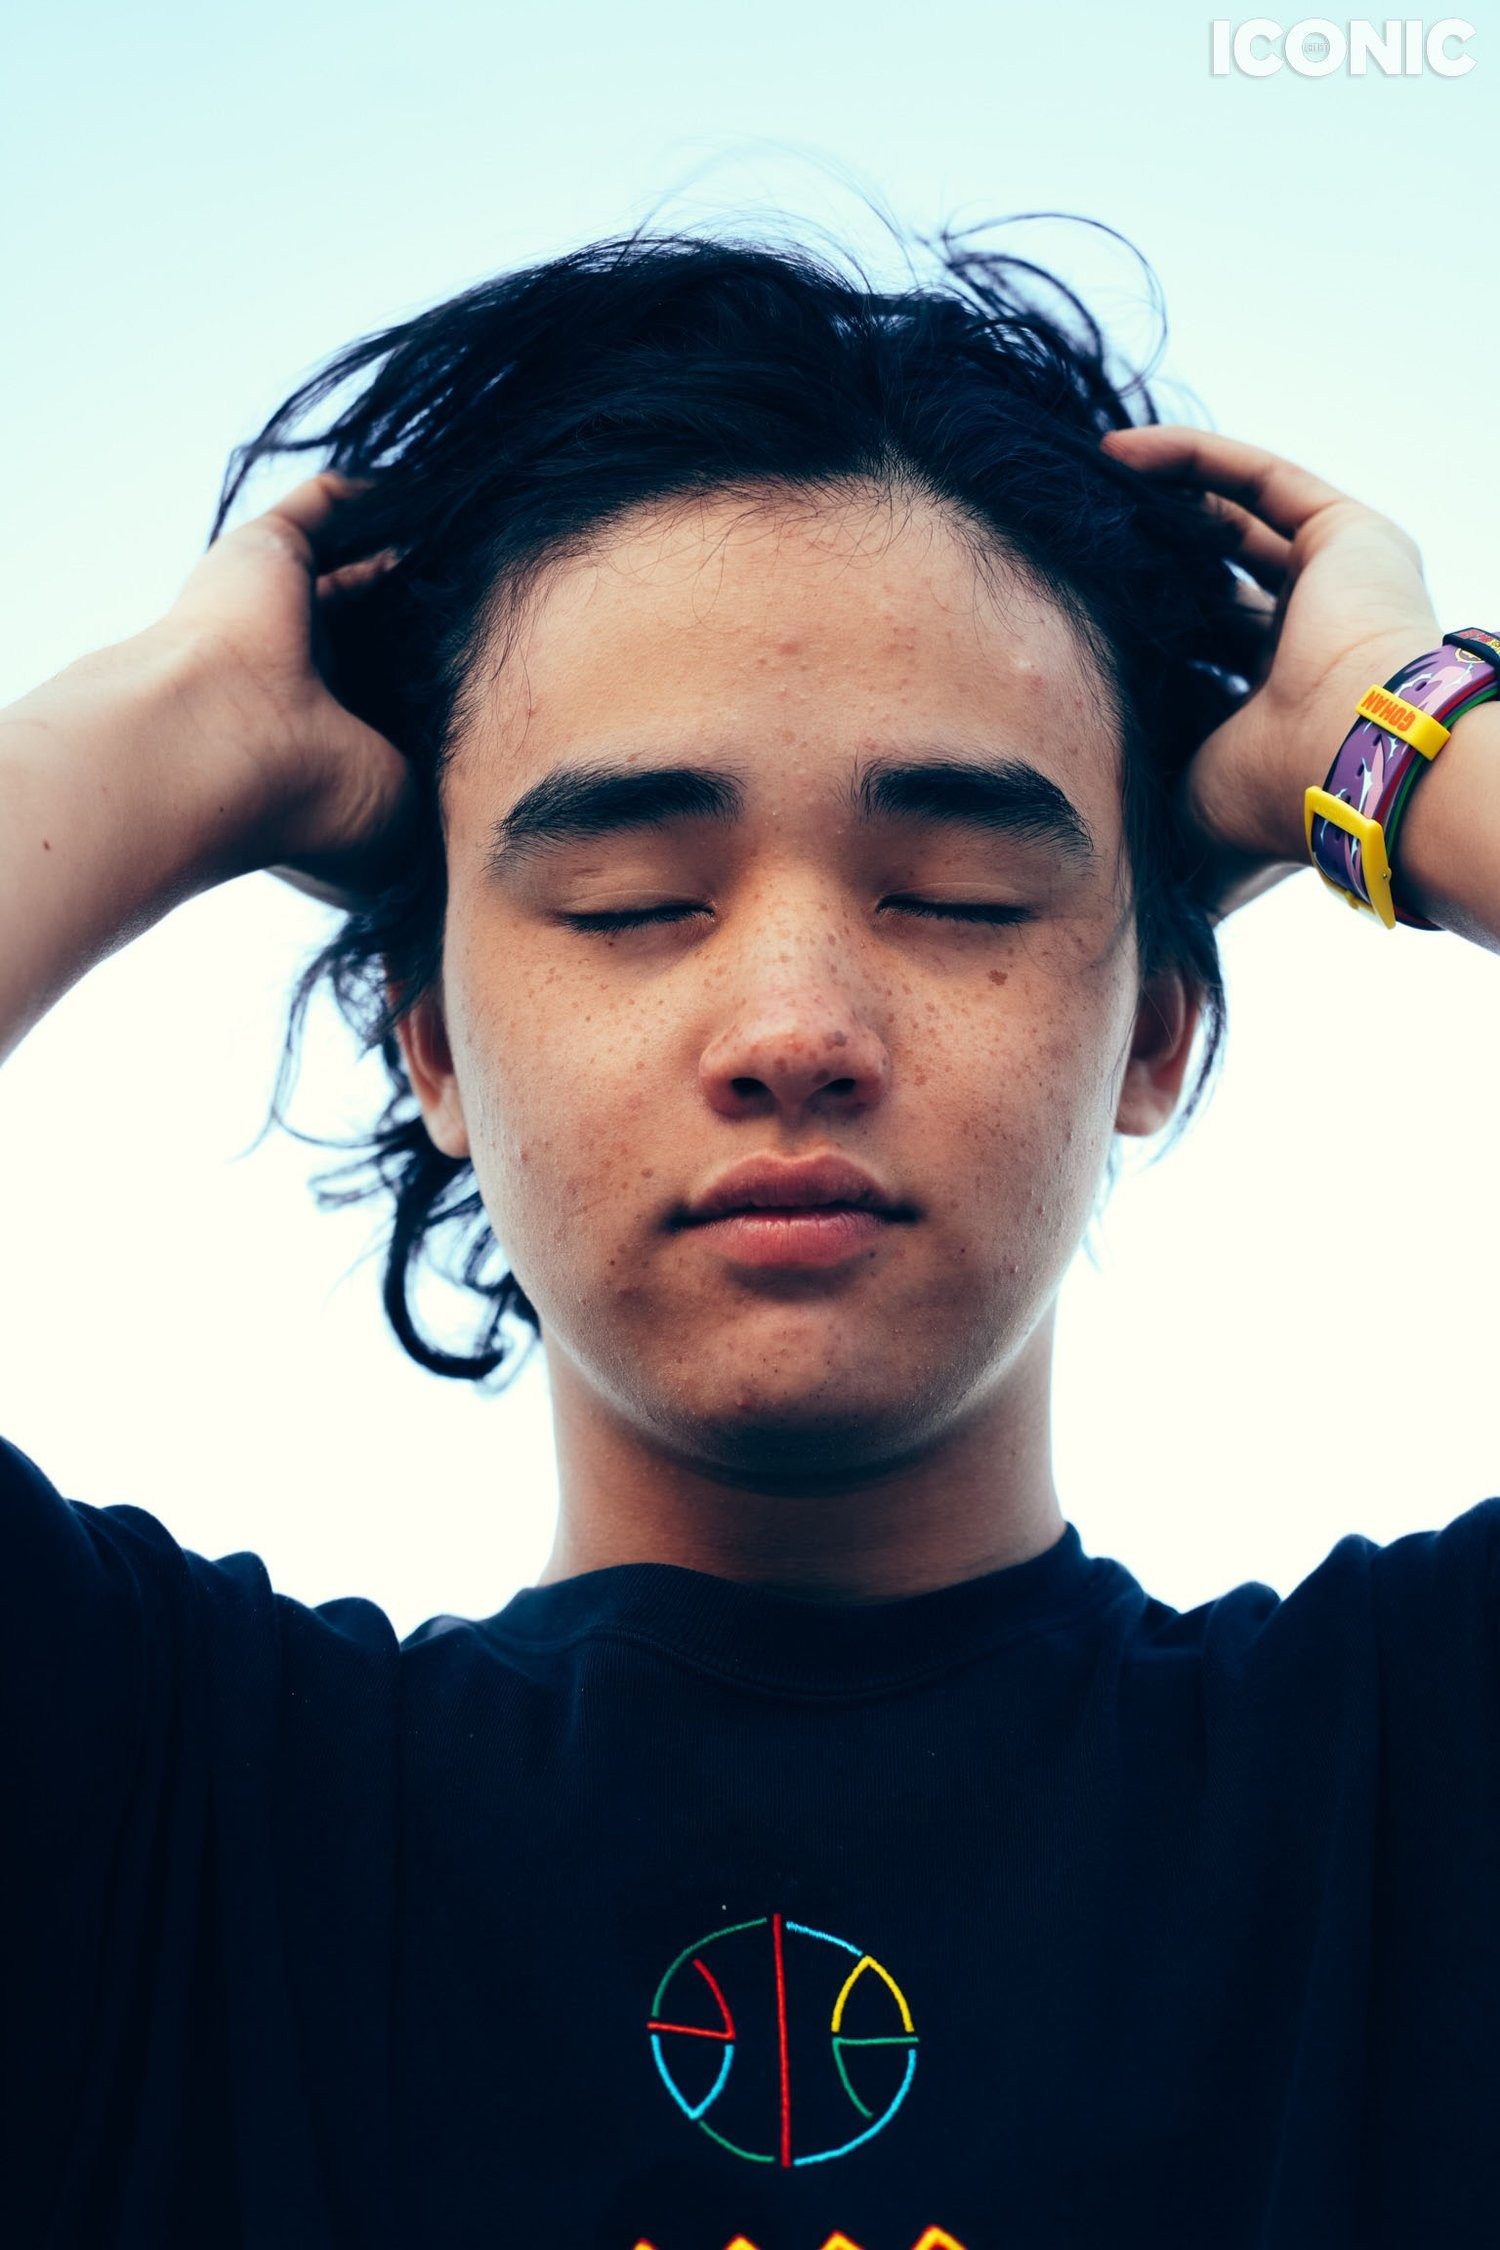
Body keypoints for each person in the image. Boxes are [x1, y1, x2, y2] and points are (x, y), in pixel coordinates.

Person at [3, 218, 1498, 2250]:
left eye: (961, 895)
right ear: (432, 1043)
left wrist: (1392, 738)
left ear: (1150, 1023)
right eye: (628, 902)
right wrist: (173, 725)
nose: (797, 1030)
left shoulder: (1407, 1791)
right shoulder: (147, 1804)